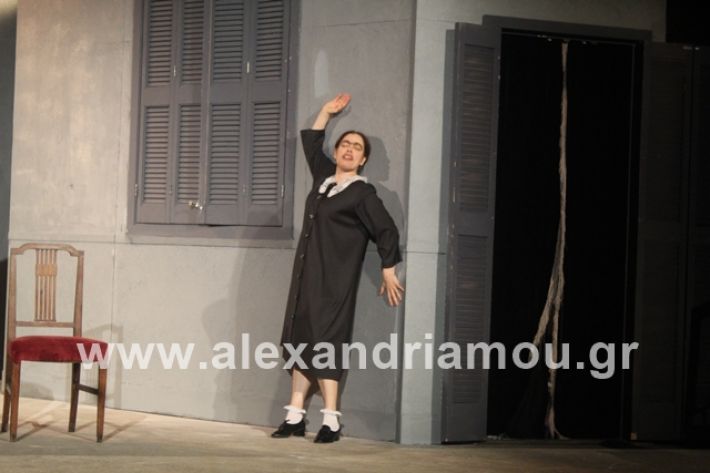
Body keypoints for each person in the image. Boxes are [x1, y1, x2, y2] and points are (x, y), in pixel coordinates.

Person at [272, 93, 404, 443]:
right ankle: (295, 415)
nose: (349, 150)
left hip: (334, 281)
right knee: (301, 339)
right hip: (307, 277)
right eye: (345, 144)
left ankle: (331, 420)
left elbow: (386, 230)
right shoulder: (324, 179)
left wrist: (388, 268)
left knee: (326, 343)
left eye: (356, 147)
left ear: (363, 159)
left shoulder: (362, 194)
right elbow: (312, 143)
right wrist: (326, 113)